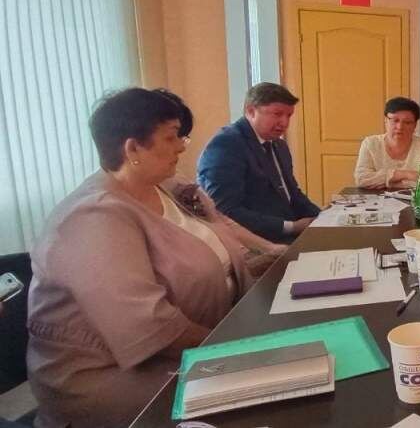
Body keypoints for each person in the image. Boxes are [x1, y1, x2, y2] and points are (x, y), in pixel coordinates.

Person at [26, 88, 285, 428]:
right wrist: (238, 346)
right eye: (171, 137)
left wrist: (268, 263)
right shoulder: (94, 217)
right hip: (113, 377)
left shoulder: (164, 186)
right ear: (133, 148)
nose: (182, 146)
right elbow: (149, 328)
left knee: (296, 375)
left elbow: (217, 238)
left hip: (198, 346)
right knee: (274, 401)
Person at [198, 82, 321, 243]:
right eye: (277, 114)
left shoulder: (279, 145)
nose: (284, 123)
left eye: (289, 115)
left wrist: (324, 218)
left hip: (288, 233)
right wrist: (291, 226)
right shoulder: (226, 145)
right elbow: (226, 211)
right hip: (257, 242)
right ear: (251, 111)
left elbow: (292, 194)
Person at [354, 96, 420, 189]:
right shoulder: (370, 143)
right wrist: (406, 174)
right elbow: (361, 179)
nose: (399, 127)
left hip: (414, 197)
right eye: (395, 120)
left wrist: (390, 182)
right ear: (385, 121)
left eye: (407, 122)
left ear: (415, 125)